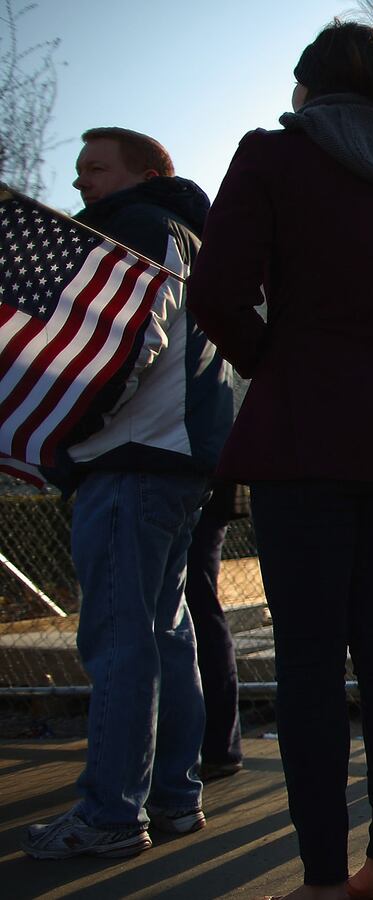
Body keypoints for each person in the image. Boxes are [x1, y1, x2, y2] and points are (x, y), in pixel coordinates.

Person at [187, 20, 373, 899]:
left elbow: (216, 292)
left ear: (308, 86)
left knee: (309, 657)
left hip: (302, 436)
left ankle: (320, 879)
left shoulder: (272, 156)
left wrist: (279, 359)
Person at [22, 128, 234, 861]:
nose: (81, 184)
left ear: (144, 172)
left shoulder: (138, 230)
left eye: (95, 169)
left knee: (117, 640)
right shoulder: (196, 239)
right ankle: (174, 798)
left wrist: (71, 432)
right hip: (180, 459)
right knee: (165, 634)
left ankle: (111, 813)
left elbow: (124, 345)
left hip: (130, 457)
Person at [187, 481, 246, 782]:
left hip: (188, 480)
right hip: (205, 481)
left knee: (196, 607)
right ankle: (217, 745)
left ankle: (214, 745)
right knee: (199, 606)